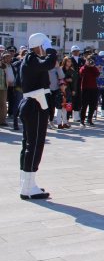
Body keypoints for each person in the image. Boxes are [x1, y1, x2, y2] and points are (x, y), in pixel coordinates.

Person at [18, 33, 57, 200]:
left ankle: (27, 184)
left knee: (28, 144)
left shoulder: (30, 59)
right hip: (35, 105)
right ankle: (27, 188)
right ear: (40, 46)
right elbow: (49, 63)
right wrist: (51, 50)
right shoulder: (32, 59)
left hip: (32, 104)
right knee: (34, 145)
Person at [79, 55, 100, 127]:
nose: (90, 62)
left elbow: (97, 74)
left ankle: (89, 119)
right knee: (84, 105)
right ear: (86, 60)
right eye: (89, 60)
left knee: (93, 105)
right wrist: (86, 65)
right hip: (85, 88)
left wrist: (93, 66)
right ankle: (82, 120)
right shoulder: (83, 67)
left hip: (94, 88)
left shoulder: (94, 68)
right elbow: (81, 73)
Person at [69, 45, 85, 122]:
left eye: (77, 51)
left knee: (79, 98)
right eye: (75, 51)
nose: (76, 53)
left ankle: (76, 115)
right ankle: (68, 115)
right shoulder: (69, 59)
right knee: (72, 98)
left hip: (80, 81)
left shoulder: (82, 60)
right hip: (71, 82)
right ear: (72, 52)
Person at [47, 59, 65, 128]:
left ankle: (51, 121)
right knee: (47, 107)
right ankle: (46, 121)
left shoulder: (57, 69)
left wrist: (58, 68)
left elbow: (62, 76)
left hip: (56, 89)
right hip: (47, 90)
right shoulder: (46, 68)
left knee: (53, 107)